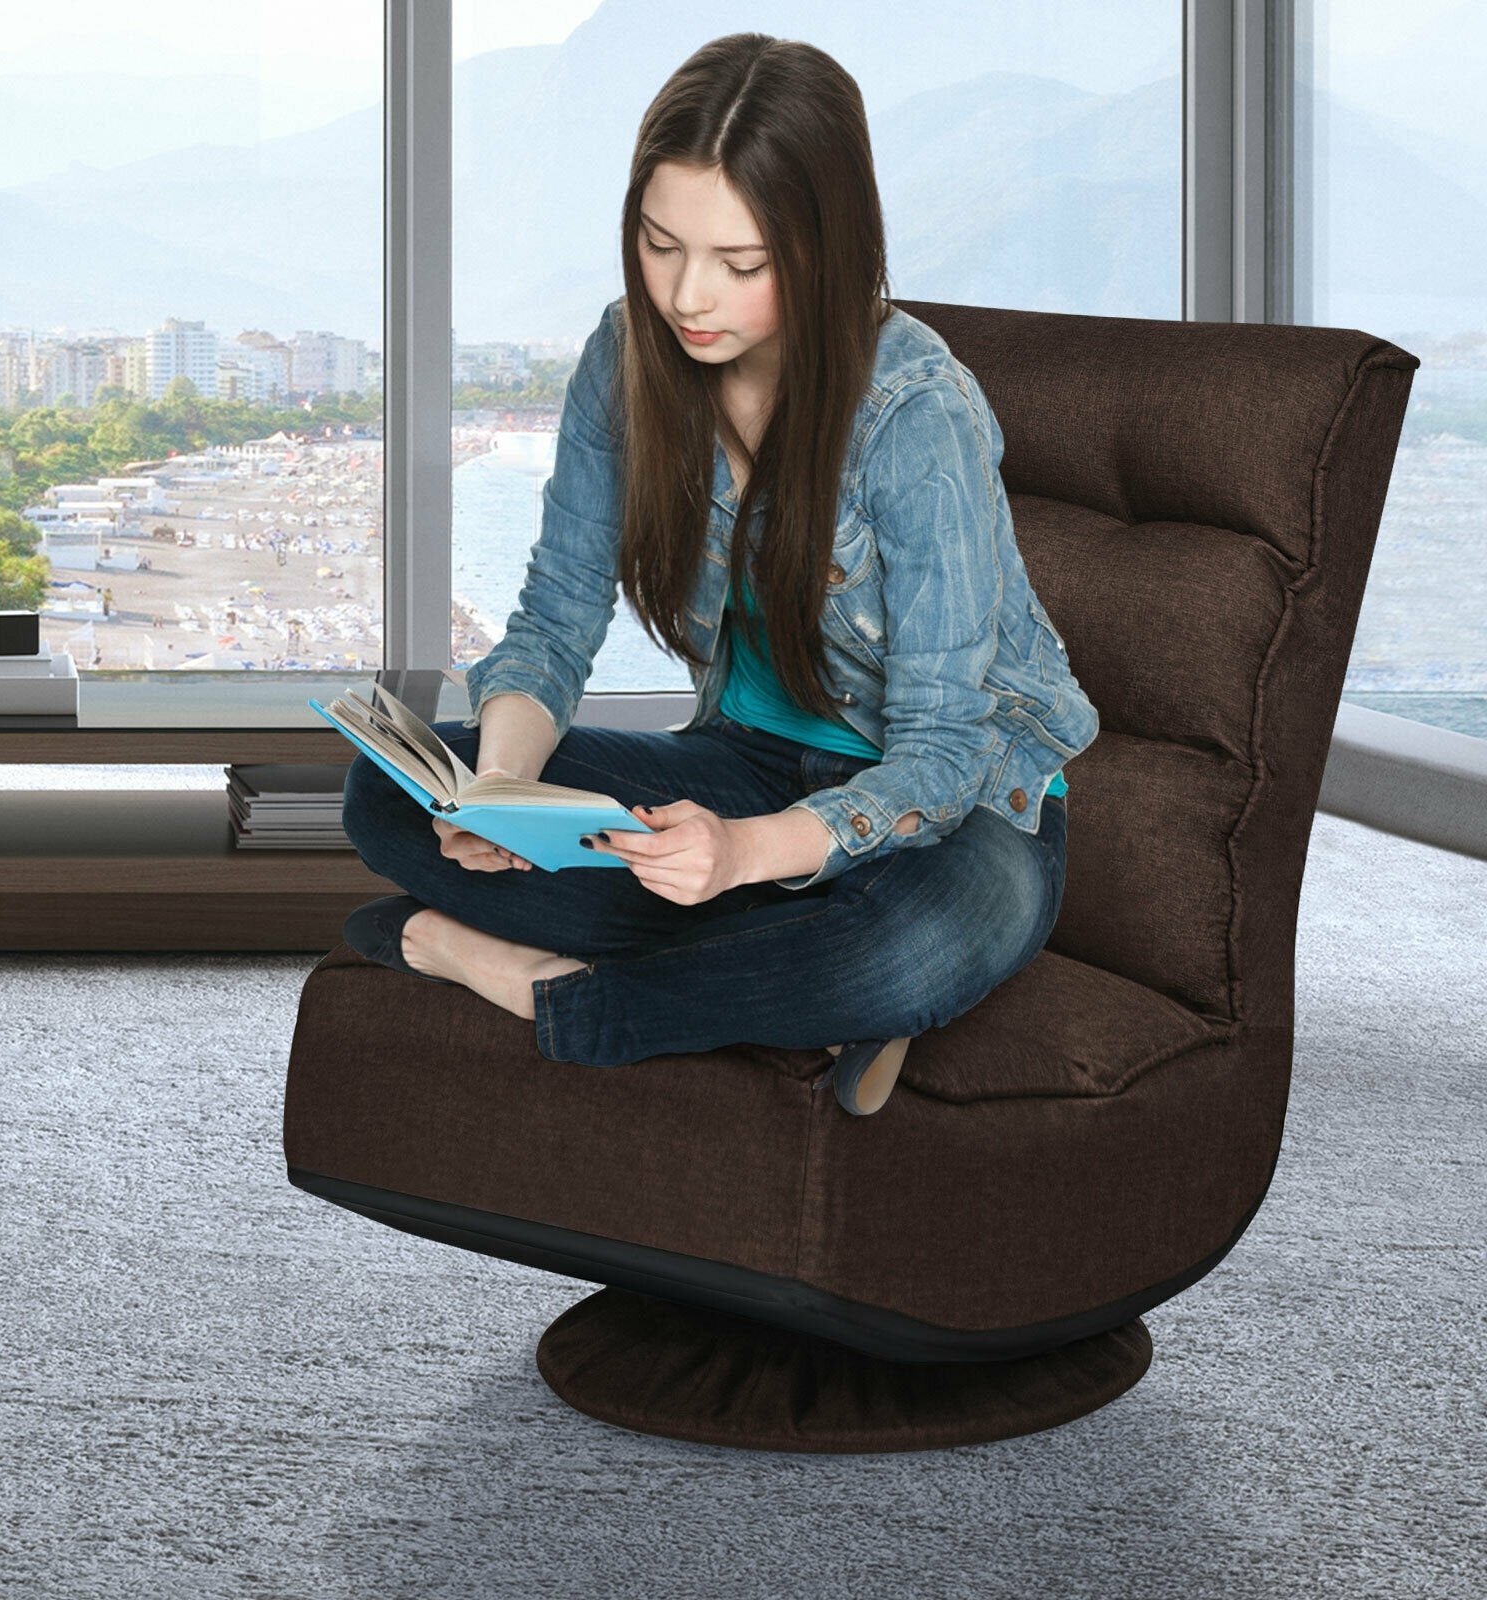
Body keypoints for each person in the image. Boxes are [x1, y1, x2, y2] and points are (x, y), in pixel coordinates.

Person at [340, 32, 1098, 1115]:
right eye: (659, 246)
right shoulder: (625, 357)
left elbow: (941, 751)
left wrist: (743, 855)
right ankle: (770, 980)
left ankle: (526, 981)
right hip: (746, 764)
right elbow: (555, 619)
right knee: (391, 794)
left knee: (911, 943)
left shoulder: (916, 411)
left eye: (739, 266)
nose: (687, 296)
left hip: (964, 809)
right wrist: (503, 793)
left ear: (822, 250)